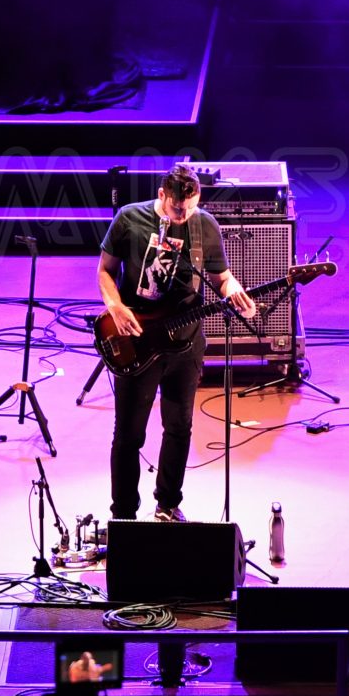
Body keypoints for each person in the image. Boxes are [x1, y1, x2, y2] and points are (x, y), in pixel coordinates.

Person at [96, 161, 257, 520]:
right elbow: (105, 269)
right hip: (137, 337)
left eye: (190, 207)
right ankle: (123, 514)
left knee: (179, 427)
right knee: (129, 435)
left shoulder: (204, 225)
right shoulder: (129, 219)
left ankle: (167, 504)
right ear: (161, 196)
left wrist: (235, 291)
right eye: (175, 208)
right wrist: (115, 306)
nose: (182, 215)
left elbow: (221, 277)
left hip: (185, 344)